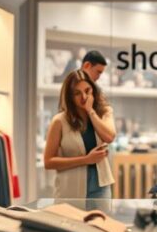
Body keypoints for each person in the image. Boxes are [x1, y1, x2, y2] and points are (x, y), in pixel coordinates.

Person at [43, 69, 116, 198]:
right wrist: (86, 160)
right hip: (70, 188)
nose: (84, 97)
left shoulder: (105, 112)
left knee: (101, 213)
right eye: (77, 93)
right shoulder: (59, 121)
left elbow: (109, 137)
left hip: (100, 187)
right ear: (70, 97)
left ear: (93, 90)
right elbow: (48, 162)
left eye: (87, 91)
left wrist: (90, 111)